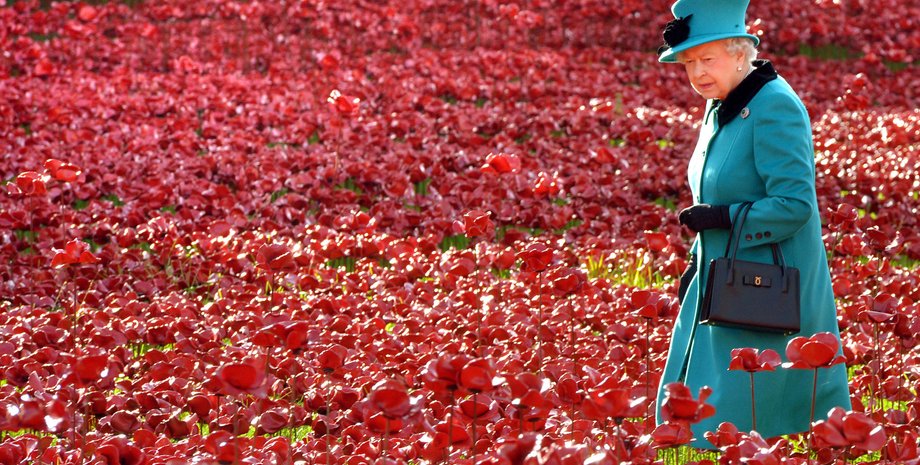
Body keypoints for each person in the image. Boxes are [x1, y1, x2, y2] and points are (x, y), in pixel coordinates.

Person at [654, 0, 852, 446]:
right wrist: (696, 261)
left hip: (766, 283)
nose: (698, 73)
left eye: (708, 58)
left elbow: (795, 204)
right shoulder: (721, 103)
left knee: (748, 409)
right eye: (689, 63)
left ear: (740, 53)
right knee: (720, 408)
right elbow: (716, 187)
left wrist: (724, 219)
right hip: (725, 274)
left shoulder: (774, 105)